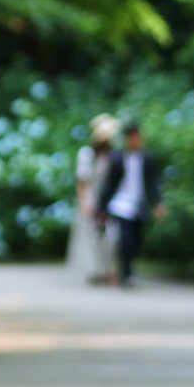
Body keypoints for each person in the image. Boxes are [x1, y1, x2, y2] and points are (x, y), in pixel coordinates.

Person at [96, 118, 164, 288]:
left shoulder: (147, 158)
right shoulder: (117, 158)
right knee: (125, 239)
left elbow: (152, 184)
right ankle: (126, 273)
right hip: (119, 204)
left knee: (136, 240)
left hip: (139, 205)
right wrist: (101, 208)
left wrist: (157, 204)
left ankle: (128, 269)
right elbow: (109, 184)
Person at [70, 114, 121, 284]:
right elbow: (82, 182)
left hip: (109, 199)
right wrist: (85, 202)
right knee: (91, 237)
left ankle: (109, 269)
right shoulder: (87, 154)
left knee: (111, 236)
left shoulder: (114, 155)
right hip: (91, 198)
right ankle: (95, 270)